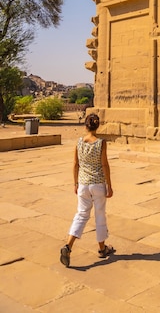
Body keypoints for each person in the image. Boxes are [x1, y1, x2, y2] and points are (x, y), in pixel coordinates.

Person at [60, 113, 114, 267]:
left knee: (81, 215)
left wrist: (75, 183)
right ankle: (102, 248)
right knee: (100, 216)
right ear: (98, 126)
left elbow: (75, 164)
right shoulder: (101, 143)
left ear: (85, 125)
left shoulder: (79, 142)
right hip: (97, 184)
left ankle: (68, 246)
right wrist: (109, 185)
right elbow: (104, 165)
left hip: (83, 184)